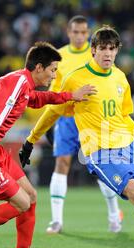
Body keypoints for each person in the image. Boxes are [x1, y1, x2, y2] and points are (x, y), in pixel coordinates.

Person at [20, 26, 134, 248]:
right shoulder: (76, 79)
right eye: (102, 48)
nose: (107, 54)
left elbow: (124, 118)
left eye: (112, 49)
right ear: (93, 50)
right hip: (100, 151)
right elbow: (52, 111)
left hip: (128, 145)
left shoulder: (120, 78)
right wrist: (30, 140)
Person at [0, 42, 96, 248]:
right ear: (39, 67)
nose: (54, 75)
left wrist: (69, 96)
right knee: (22, 203)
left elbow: (37, 99)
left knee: (31, 195)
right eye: (52, 70)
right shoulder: (17, 82)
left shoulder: (22, 84)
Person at [21, 16, 123, 235]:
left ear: (88, 35)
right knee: (63, 163)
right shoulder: (59, 56)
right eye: (75, 32)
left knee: (102, 169)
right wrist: (51, 119)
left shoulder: (97, 53)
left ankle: (114, 215)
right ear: (69, 33)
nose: (80, 36)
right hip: (67, 118)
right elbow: (53, 90)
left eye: (84, 32)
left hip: (92, 118)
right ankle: (57, 220)